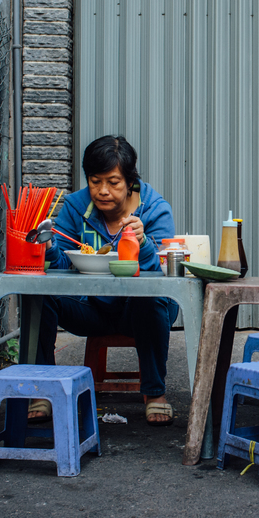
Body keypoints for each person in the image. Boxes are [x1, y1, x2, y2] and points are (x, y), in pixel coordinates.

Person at [30, 135, 179, 426]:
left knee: (150, 298)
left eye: (113, 182)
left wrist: (144, 242)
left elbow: (163, 274)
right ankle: (43, 387)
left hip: (140, 312)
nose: (102, 191)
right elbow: (61, 267)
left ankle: (155, 393)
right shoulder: (75, 206)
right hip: (91, 309)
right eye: (95, 181)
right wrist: (48, 248)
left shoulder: (154, 209)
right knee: (40, 296)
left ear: (131, 181)